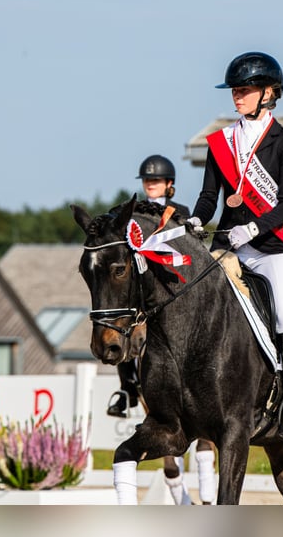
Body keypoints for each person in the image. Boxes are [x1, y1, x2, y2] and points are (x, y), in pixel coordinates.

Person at [187, 52, 283, 439]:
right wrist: (195, 219)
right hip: (229, 246)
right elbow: (210, 198)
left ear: (269, 93)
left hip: (272, 249)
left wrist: (253, 230)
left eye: (244, 90)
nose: (236, 97)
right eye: (235, 91)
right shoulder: (221, 143)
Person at [107, 154, 191, 419]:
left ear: (169, 183)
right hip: (142, 286)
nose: (151, 184)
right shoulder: (134, 210)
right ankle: (126, 390)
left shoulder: (181, 212)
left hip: (171, 281)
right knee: (122, 326)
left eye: (156, 180)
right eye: (147, 180)